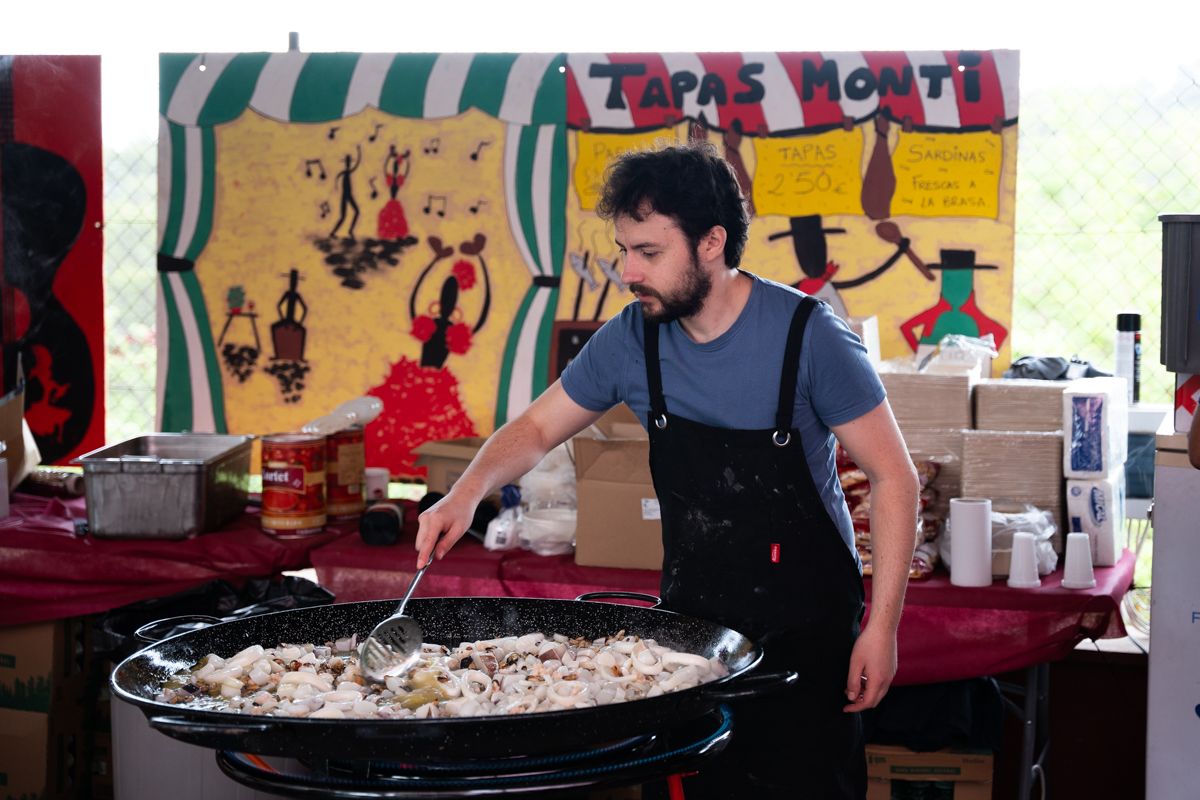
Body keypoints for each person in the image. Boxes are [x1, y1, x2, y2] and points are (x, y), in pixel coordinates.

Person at [415, 141, 919, 799]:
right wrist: (466, 491)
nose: (628, 271)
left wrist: (881, 631)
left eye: (648, 253)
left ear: (711, 244)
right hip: (689, 633)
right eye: (624, 250)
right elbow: (537, 428)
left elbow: (894, 477)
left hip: (808, 633)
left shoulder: (809, 337)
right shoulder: (631, 339)